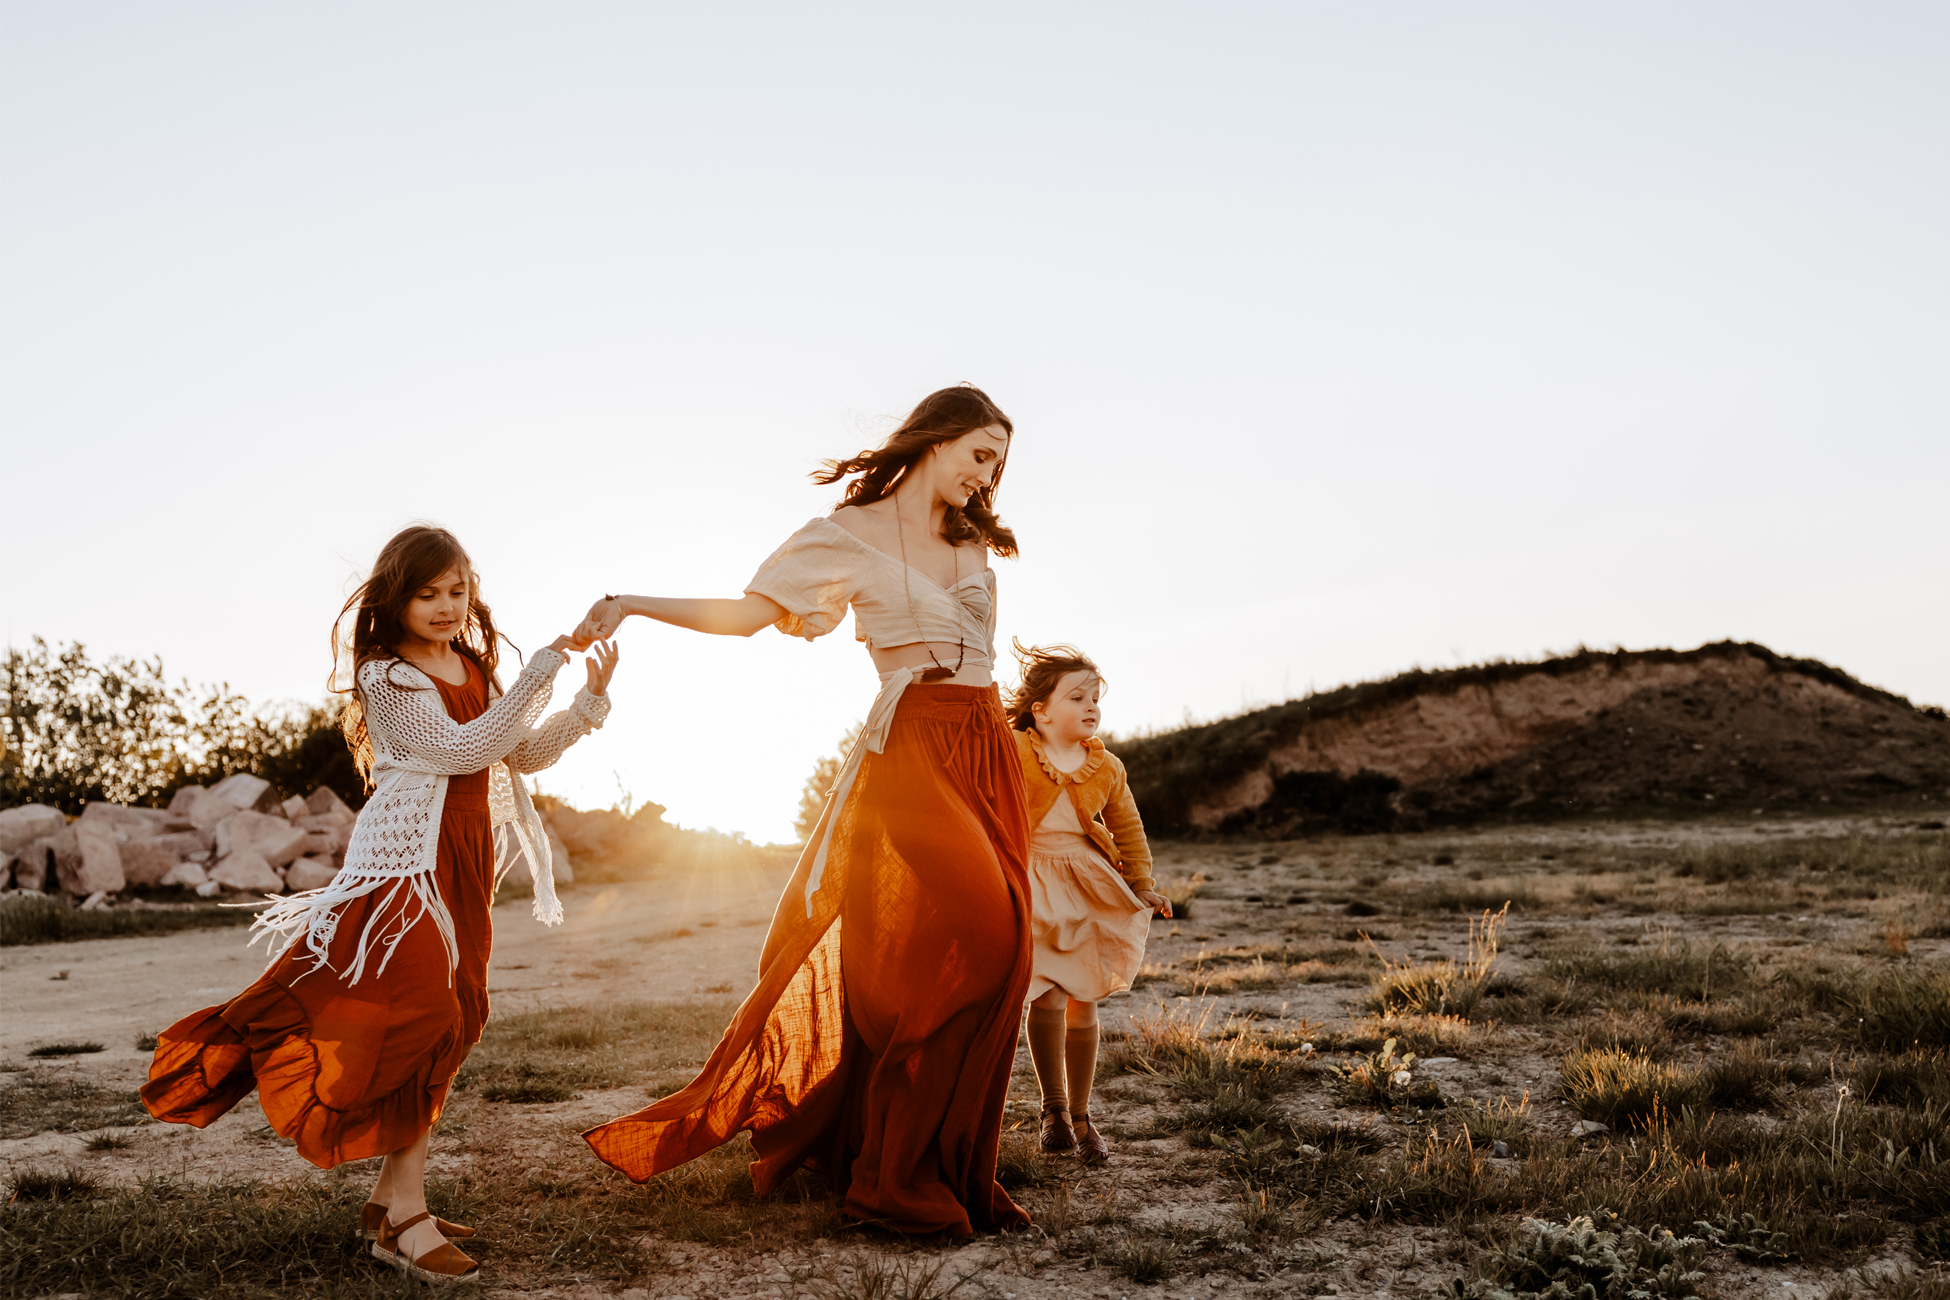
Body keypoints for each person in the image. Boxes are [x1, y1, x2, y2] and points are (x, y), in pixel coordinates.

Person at [577, 384, 1031, 1236]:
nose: (987, 476)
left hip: (986, 745)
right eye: (979, 454)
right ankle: (889, 1174)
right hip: (915, 749)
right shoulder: (847, 536)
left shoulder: (969, 540)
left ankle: (934, 1160)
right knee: (989, 937)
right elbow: (750, 616)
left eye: (998, 464)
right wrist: (635, 602)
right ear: (933, 441)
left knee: (998, 956)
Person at [141, 525, 616, 1285]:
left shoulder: (474, 664)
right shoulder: (385, 677)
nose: (445, 606)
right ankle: (407, 1217)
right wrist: (550, 667)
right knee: (424, 1015)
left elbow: (515, 753)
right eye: (427, 593)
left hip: (466, 857)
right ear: (395, 598)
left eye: (457, 591)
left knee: (459, 1019)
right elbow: (462, 751)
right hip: (405, 867)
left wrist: (588, 704)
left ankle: (394, 1203)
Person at [1006, 643, 1169, 1165]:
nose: (1091, 706)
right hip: (1029, 876)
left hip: (1086, 882)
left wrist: (1141, 882)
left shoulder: (1106, 765)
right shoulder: (1012, 748)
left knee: (1085, 997)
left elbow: (1127, 825)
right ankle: (1053, 1111)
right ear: (1042, 709)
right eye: (1077, 696)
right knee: (1048, 994)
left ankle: (1083, 1115)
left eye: (1096, 697)